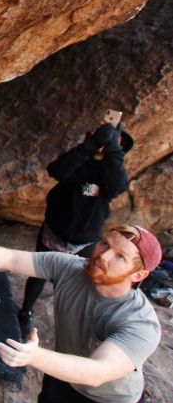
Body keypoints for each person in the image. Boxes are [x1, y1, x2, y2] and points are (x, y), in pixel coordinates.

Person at [0, 224, 162, 403]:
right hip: (61, 377)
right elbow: (11, 258)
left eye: (120, 256)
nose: (104, 256)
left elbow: (98, 372)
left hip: (108, 401)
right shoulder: (71, 268)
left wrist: (34, 356)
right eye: (104, 244)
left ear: (138, 275)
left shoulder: (140, 323)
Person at [19, 122, 134, 335]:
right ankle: (25, 312)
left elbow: (118, 185)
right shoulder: (80, 162)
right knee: (38, 274)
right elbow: (57, 170)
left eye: (114, 143)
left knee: (86, 279)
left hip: (86, 238)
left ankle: (82, 322)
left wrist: (113, 150)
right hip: (55, 231)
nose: (106, 145)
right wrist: (88, 148)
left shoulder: (109, 175)